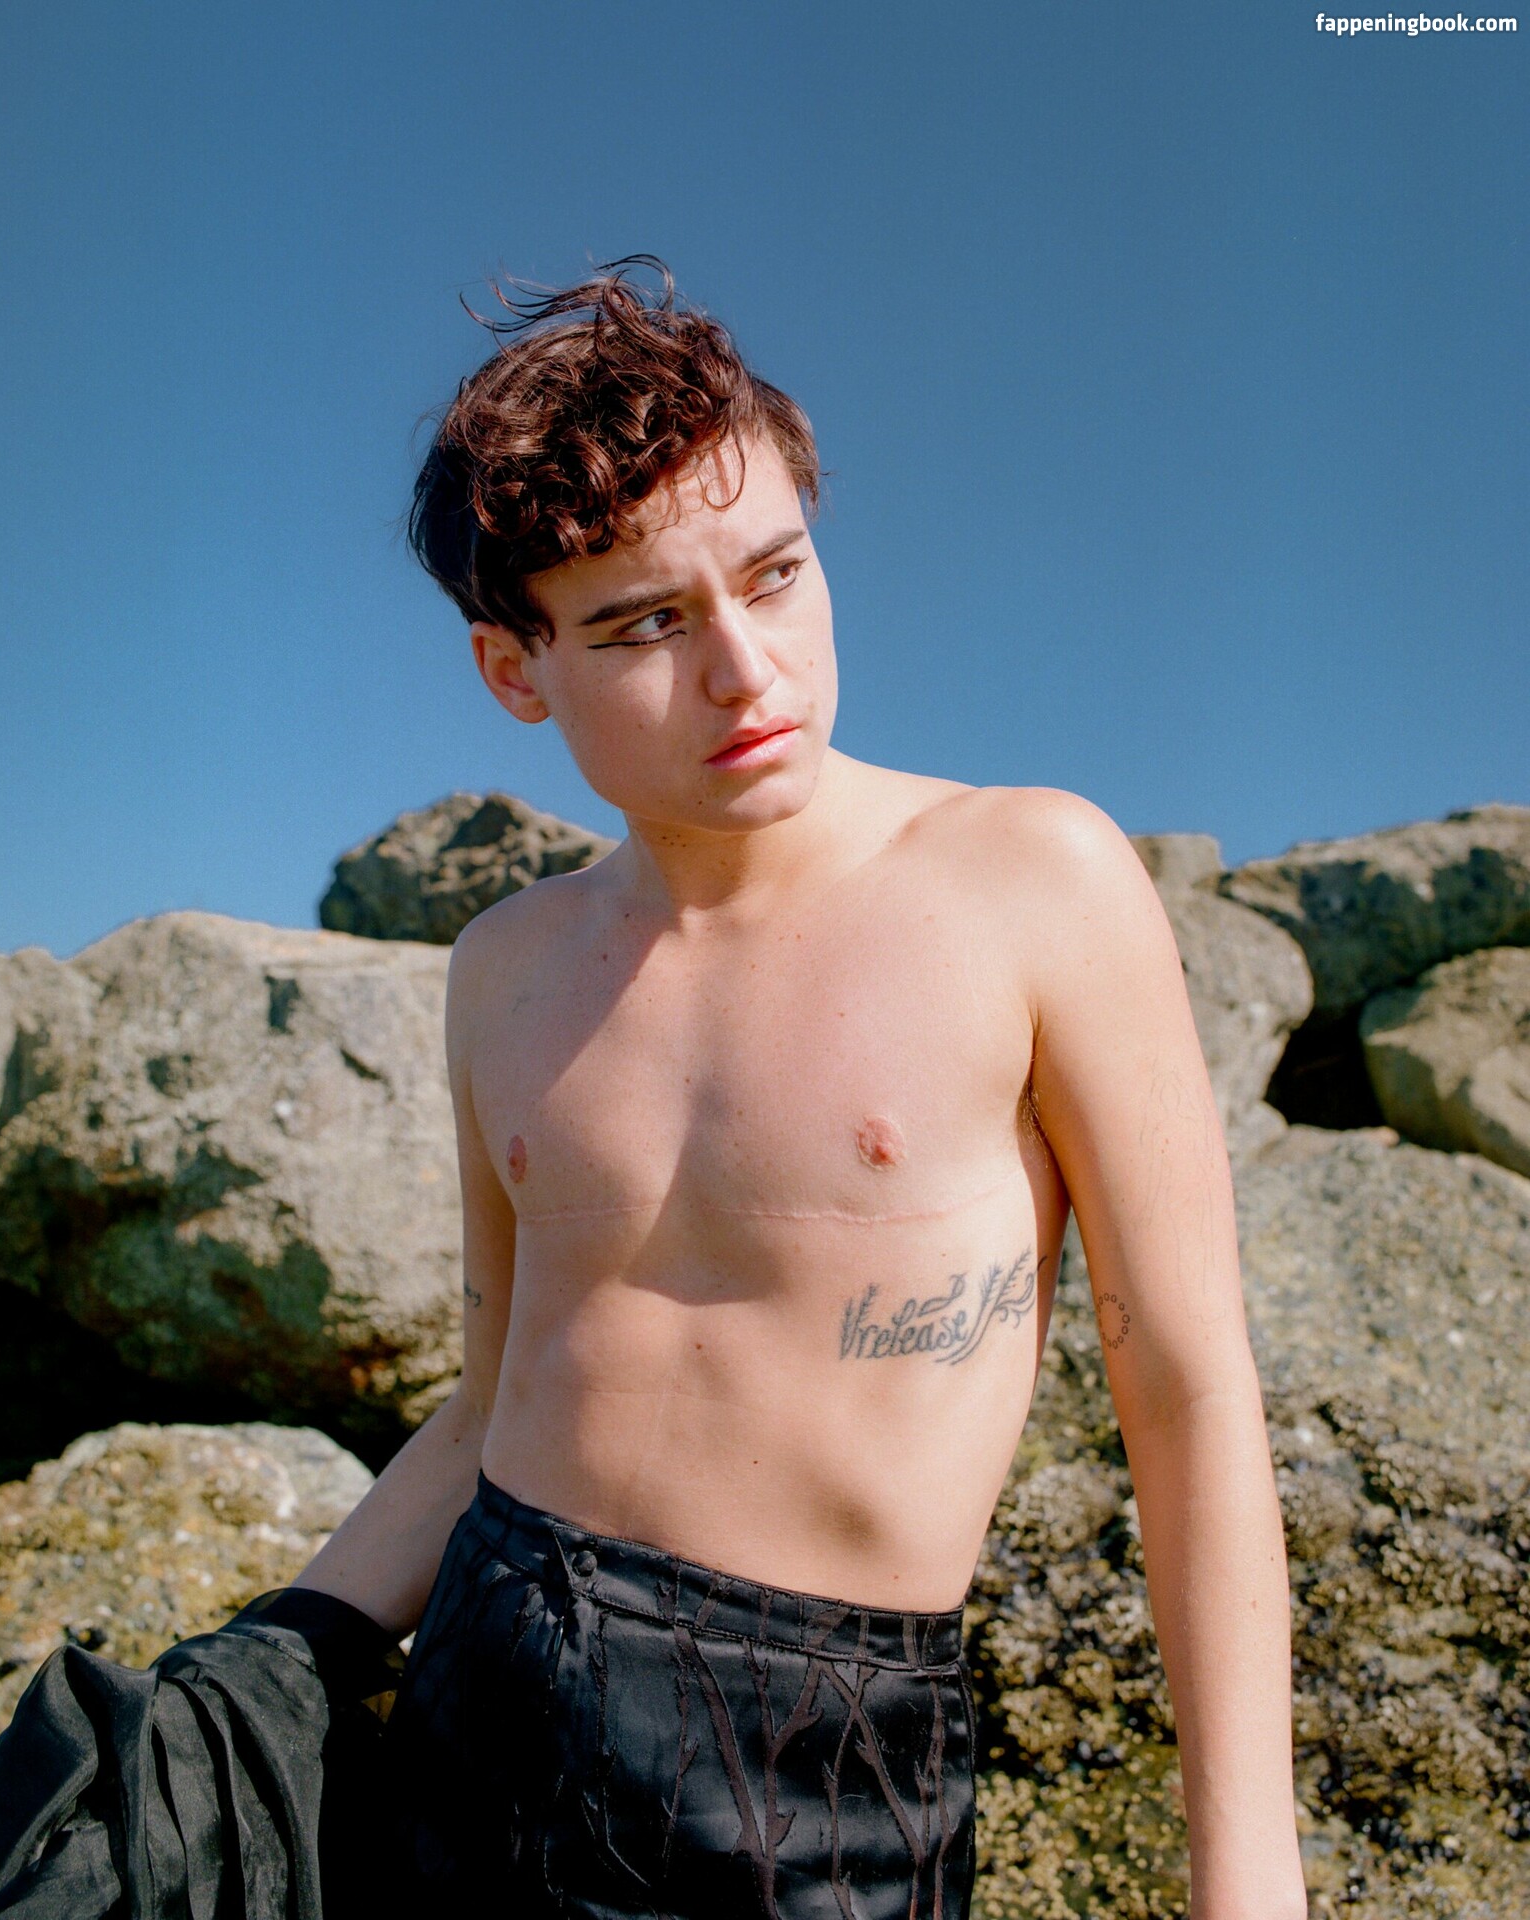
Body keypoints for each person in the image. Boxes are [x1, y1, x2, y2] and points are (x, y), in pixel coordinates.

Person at [290, 258, 1307, 1919]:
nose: (747, 672)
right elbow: (486, 1406)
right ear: (513, 669)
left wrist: (1248, 1883)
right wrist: (276, 1657)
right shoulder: (505, 967)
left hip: (817, 1776)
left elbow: (1189, 1398)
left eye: (775, 577)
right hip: (478, 1704)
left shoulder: (1030, 881)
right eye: (645, 624)